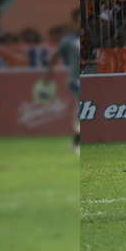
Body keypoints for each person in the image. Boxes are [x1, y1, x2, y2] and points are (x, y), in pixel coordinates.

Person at [43, 8, 83, 154]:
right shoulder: (68, 41)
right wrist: (48, 78)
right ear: (74, 23)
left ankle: (75, 142)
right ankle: (76, 143)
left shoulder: (85, 38)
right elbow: (54, 56)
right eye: (79, 21)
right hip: (74, 80)